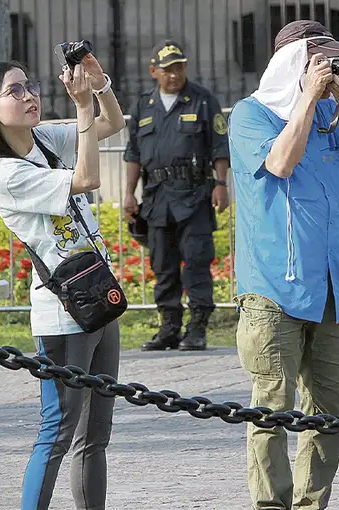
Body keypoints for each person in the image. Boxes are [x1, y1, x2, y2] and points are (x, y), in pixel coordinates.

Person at [0, 53, 148, 510]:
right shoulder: (4, 170)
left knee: (96, 430)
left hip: (97, 296)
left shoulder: (43, 139)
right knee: (58, 430)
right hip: (62, 314)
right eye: (14, 91)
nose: (29, 95)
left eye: (29, 86)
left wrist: (98, 84)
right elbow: (87, 177)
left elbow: (112, 124)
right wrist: (83, 105)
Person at [227, 20, 339, 510]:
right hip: (273, 286)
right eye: (321, 63)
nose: (330, 72)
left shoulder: (332, 117)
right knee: (272, 402)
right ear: (294, 65)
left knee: (327, 404)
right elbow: (280, 162)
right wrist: (309, 99)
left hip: (330, 284)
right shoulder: (250, 115)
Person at [123, 40, 230, 352]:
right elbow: (133, 154)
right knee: (163, 266)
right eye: (168, 69)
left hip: (194, 195)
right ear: (154, 72)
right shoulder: (144, 106)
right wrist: (129, 194)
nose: (174, 74)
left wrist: (221, 184)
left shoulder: (202, 100)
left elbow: (219, 146)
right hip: (157, 199)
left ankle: (197, 328)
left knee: (196, 263)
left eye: (179, 67)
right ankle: (169, 328)